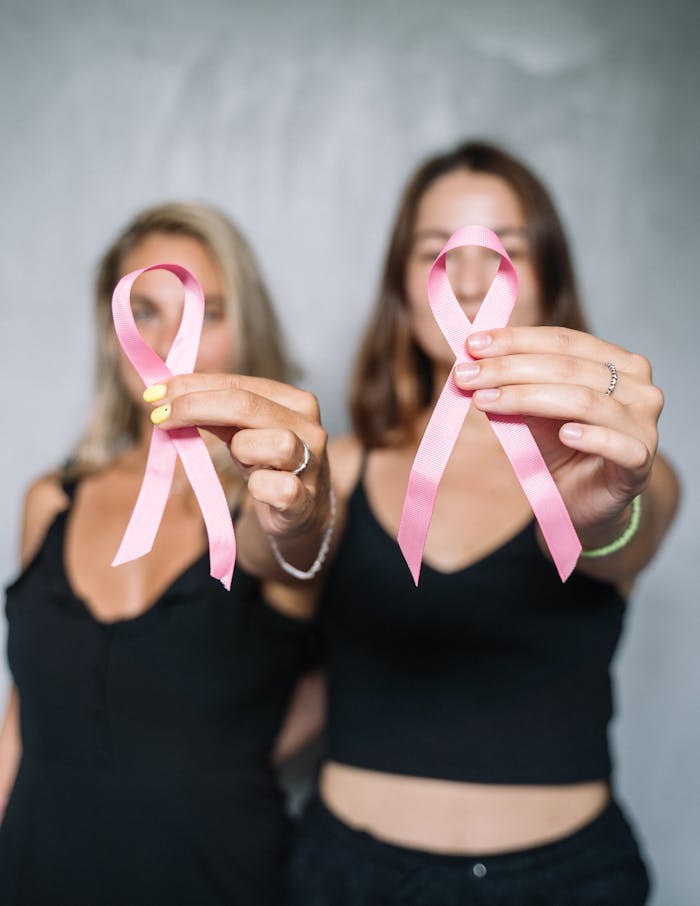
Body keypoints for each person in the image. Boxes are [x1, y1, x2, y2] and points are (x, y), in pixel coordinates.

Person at [276, 141, 679, 904]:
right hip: (347, 878)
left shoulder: (617, 457)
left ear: (548, 277)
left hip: (570, 882)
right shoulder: (335, 467)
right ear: (404, 280)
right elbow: (276, 602)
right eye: (438, 252)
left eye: (505, 251)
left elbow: (627, 537)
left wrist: (606, 504)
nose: (467, 280)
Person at [0, 202, 330, 906]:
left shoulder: (275, 508)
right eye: (144, 312)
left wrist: (214, 751)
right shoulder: (49, 503)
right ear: (110, 335)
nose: (173, 344)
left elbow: (303, 567)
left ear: (249, 328)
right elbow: (23, 713)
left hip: (216, 875)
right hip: (34, 870)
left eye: (206, 313)